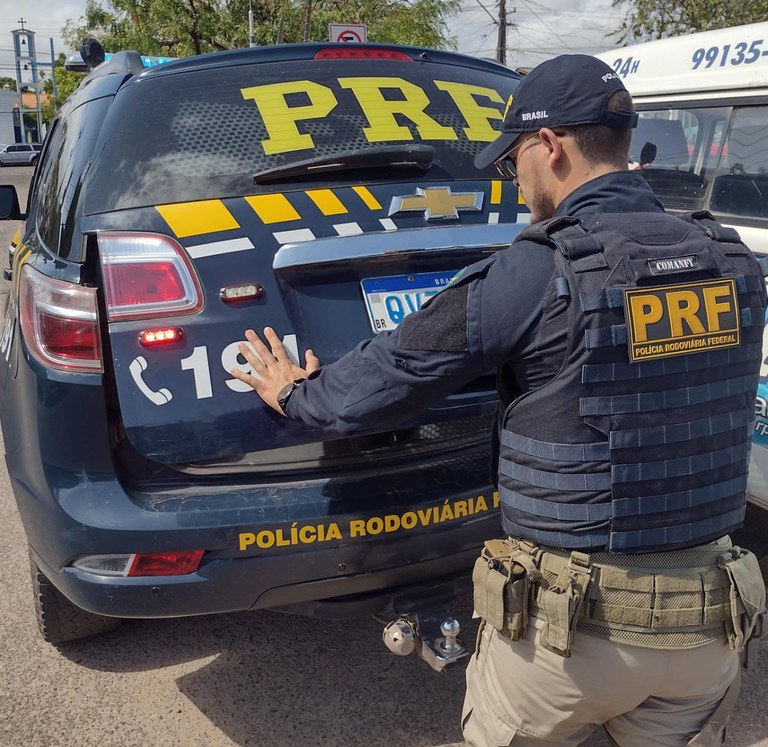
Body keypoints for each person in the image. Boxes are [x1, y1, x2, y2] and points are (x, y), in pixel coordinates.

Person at [230, 54, 767, 746]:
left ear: (551, 146)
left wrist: (296, 393)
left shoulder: (539, 268)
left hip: (570, 640)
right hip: (706, 630)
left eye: (513, 158)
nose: (514, 179)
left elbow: (391, 374)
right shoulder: (730, 260)